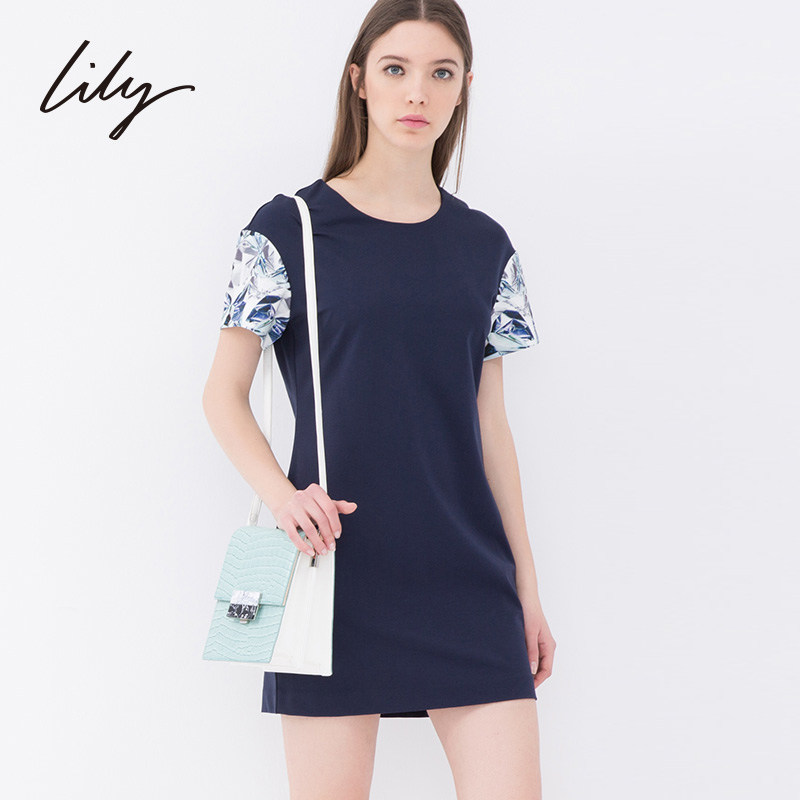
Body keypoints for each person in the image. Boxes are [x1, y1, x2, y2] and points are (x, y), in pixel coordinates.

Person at [202, 1, 556, 797]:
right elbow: (222, 394)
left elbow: (491, 427)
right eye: (396, 69)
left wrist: (527, 591)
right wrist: (282, 497)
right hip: (334, 569)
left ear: (465, 88)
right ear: (359, 81)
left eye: (441, 72)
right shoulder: (289, 227)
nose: (417, 92)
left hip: (468, 580)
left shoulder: (485, 245)